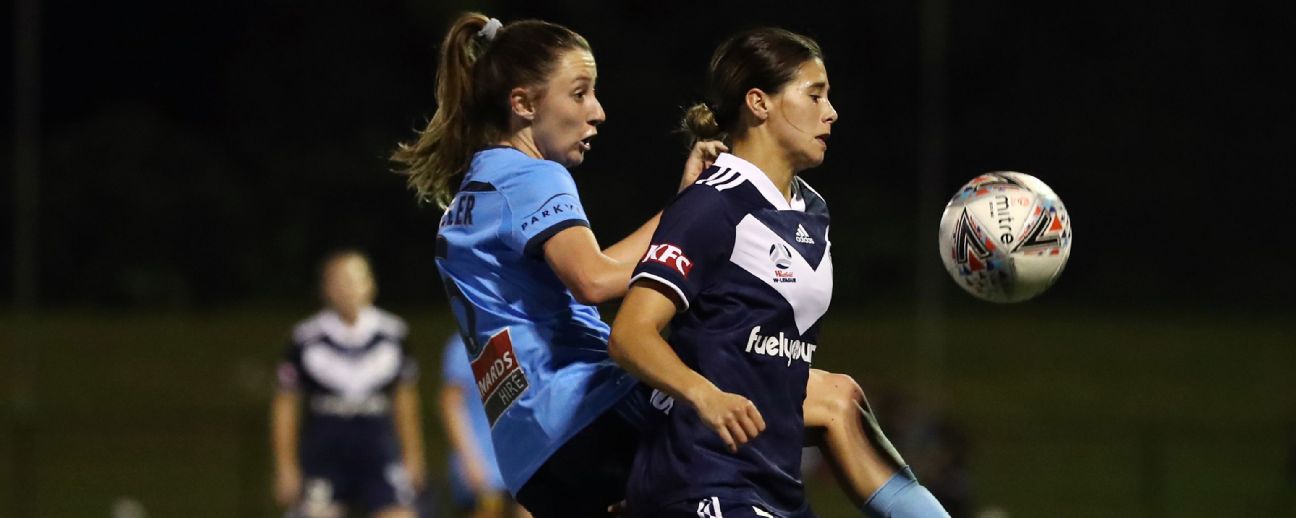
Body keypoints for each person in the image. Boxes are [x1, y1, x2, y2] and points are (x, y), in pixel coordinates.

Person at [392, 13, 932, 517]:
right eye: (579, 93)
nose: (597, 111)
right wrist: (696, 210)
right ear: (524, 104)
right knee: (834, 399)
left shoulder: (471, 193)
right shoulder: (532, 176)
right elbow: (596, 280)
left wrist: (683, 209)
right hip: (588, 416)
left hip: (529, 456)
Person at [608, 28, 948, 517]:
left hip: (775, 483)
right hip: (704, 480)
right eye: (815, 95)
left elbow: (771, 360)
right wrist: (705, 395)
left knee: (842, 397)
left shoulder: (813, 212)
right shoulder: (712, 204)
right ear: (758, 103)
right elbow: (630, 334)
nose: (831, 112)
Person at [271, 250, 427, 518]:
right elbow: (286, 404)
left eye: (355, 279)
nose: (348, 289)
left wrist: (413, 454)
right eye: (339, 281)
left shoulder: (393, 335)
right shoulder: (306, 339)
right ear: (325, 289)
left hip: (379, 453)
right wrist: (285, 466)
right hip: (324, 455)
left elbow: (405, 399)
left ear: (371, 284)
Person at [439, 333, 532, 518]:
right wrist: (469, 458)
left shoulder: (526, 337)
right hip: (483, 461)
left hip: (523, 459)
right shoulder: (465, 344)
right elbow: (450, 403)